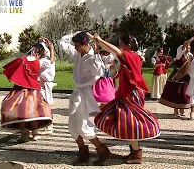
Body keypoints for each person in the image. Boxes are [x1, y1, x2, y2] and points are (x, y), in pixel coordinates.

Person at [91, 33, 161, 164]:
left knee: (130, 122)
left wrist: (100, 41)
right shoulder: (133, 57)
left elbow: (116, 52)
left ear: (128, 46)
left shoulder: (131, 56)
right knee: (127, 121)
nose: (119, 46)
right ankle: (135, 152)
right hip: (130, 93)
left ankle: (136, 154)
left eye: (121, 44)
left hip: (131, 94)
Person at [59, 32, 110, 165]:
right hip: (77, 93)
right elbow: (62, 43)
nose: (75, 48)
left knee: (82, 126)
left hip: (87, 94)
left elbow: (100, 73)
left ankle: (103, 151)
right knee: (72, 126)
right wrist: (76, 33)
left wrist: (98, 51)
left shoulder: (94, 58)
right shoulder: (77, 53)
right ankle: (83, 152)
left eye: (77, 45)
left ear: (85, 44)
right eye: (74, 45)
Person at [1, 42, 53, 143]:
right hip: (34, 90)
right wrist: (51, 49)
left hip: (20, 90)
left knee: (21, 112)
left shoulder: (21, 60)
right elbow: (51, 61)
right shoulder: (39, 62)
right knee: (32, 112)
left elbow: (10, 68)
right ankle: (35, 133)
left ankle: (24, 134)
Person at [159, 36, 194, 117]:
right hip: (177, 76)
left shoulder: (191, 55)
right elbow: (185, 44)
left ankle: (182, 109)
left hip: (186, 77)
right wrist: (193, 37)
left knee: (184, 94)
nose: (189, 47)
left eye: (190, 46)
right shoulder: (180, 52)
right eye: (187, 45)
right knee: (176, 93)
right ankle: (176, 110)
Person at [37, 37, 56, 135]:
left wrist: (51, 48)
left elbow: (50, 61)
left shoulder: (44, 60)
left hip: (45, 84)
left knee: (46, 103)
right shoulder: (45, 58)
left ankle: (49, 126)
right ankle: (45, 124)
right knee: (42, 104)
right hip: (43, 84)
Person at [92, 44, 116, 109]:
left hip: (106, 78)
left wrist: (109, 65)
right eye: (102, 52)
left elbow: (112, 56)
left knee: (106, 91)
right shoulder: (101, 58)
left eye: (106, 52)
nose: (104, 54)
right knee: (102, 91)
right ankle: (103, 105)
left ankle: (104, 105)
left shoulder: (109, 58)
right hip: (101, 78)